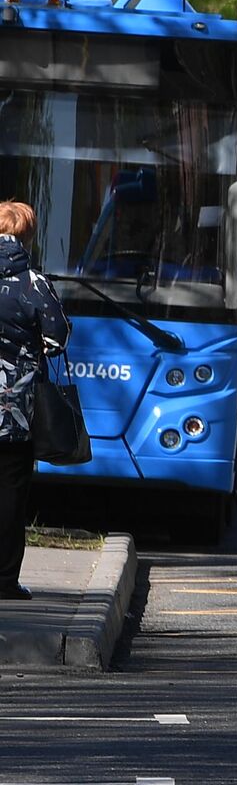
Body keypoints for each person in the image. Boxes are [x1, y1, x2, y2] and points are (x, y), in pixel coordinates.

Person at [0, 200, 70, 601]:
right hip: (16, 410)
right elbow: (56, 338)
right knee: (11, 494)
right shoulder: (34, 283)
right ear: (26, 235)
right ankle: (5, 580)